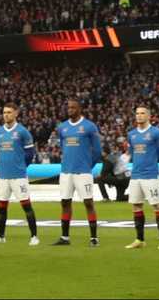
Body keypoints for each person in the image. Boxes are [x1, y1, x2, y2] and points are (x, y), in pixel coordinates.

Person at [52, 98, 103, 247]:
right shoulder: (62, 127)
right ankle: (64, 237)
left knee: (88, 203)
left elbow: (97, 151)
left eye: (73, 107)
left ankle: (94, 238)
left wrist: (88, 165)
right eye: (68, 108)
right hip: (66, 172)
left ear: (80, 109)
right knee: (65, 202)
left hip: (83, 172)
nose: (70, 110)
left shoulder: (89, 126)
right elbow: (63, 147)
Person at [0, 104, 39, 246]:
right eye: (4, 112)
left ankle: (34, 236)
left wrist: (21, 166)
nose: (6, 115)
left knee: (26, 206)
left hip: (19, 176)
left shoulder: (23, 132)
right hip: (3, 176)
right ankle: (0, 236)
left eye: (9, 112)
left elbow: (30, 154)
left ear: (16, 113)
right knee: (1, 207)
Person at [125, 105, 159, 251]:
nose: (139, 115)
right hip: (135, 175)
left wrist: (150, 162)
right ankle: (140, 240)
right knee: (136, 206)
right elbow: (132, 152)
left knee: (157, 206)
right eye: (137, 113)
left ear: (149, 116)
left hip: (150, 175)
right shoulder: (131, 134)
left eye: (142, 113)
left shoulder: (156, 133)